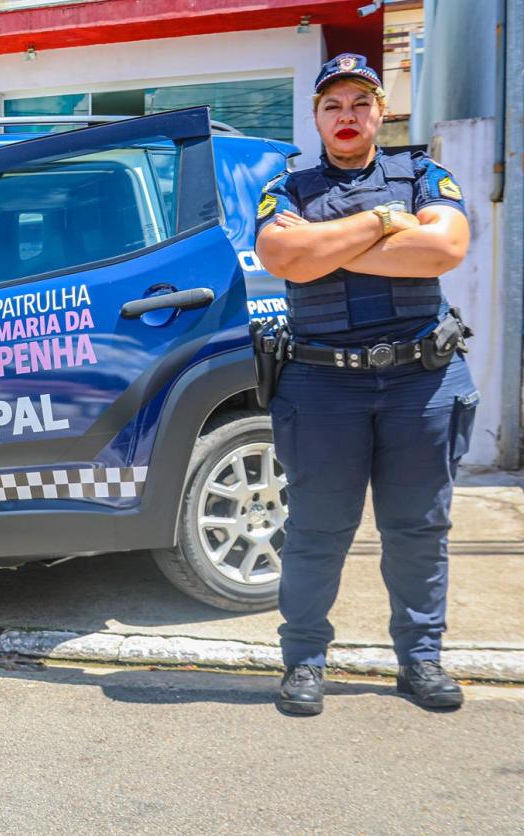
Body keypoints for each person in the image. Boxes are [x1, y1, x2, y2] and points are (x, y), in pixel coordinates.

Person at [254, 53, 476, 716]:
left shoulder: (425, 174)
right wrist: (385, 221)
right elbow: (285, 259)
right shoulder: (286, 190)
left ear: (381, 111)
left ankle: (421, 660)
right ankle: (303, 663)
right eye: (332, 106)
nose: (346, 117)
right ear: (317, 117)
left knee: (419, 528)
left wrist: (326, 244)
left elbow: (443, 251)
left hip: (422, 380)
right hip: (324, 387)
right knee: (318, 531)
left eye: (359, 104)